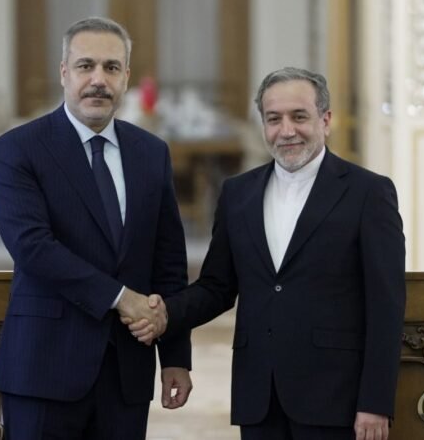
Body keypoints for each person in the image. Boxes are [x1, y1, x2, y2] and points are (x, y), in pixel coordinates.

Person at [129, 67, 406, 440]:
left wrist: (375, 401)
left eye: (299, 117)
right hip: (259, 396)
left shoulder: (368, 193)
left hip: (335, 398)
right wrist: (164, 314)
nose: (286, 130)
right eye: (274, 119)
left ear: (325, 120)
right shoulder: (237, 194)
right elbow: (216, 287)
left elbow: (386, 305)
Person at [0, 16, 192, 440]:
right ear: (64, 72)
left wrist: (175, 355)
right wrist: (122, 298)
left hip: (126, 372)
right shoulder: (18, 149)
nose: (98, 79)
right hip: (44, 367)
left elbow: (168, 260)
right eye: (86, 66)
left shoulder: (151, 153)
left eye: (111, 67)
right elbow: (33, 248)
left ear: (126, 77)